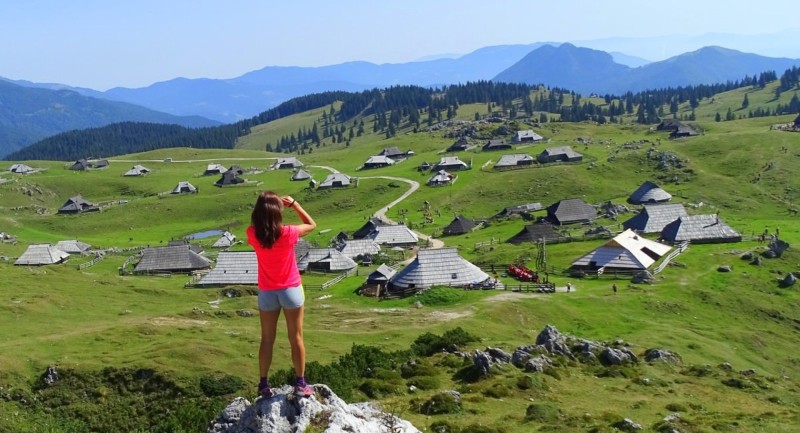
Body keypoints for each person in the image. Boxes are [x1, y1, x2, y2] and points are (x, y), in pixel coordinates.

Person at [247, 191, 317, 399]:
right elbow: (311, 224)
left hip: (267, 292)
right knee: (296, 337)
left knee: (267, 339)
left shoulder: (252, 233)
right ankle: (301, 383)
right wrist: (295, 205)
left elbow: (261, 227)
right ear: (278, 212)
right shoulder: (288, 233)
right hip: (291, 290)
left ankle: (263, 383)